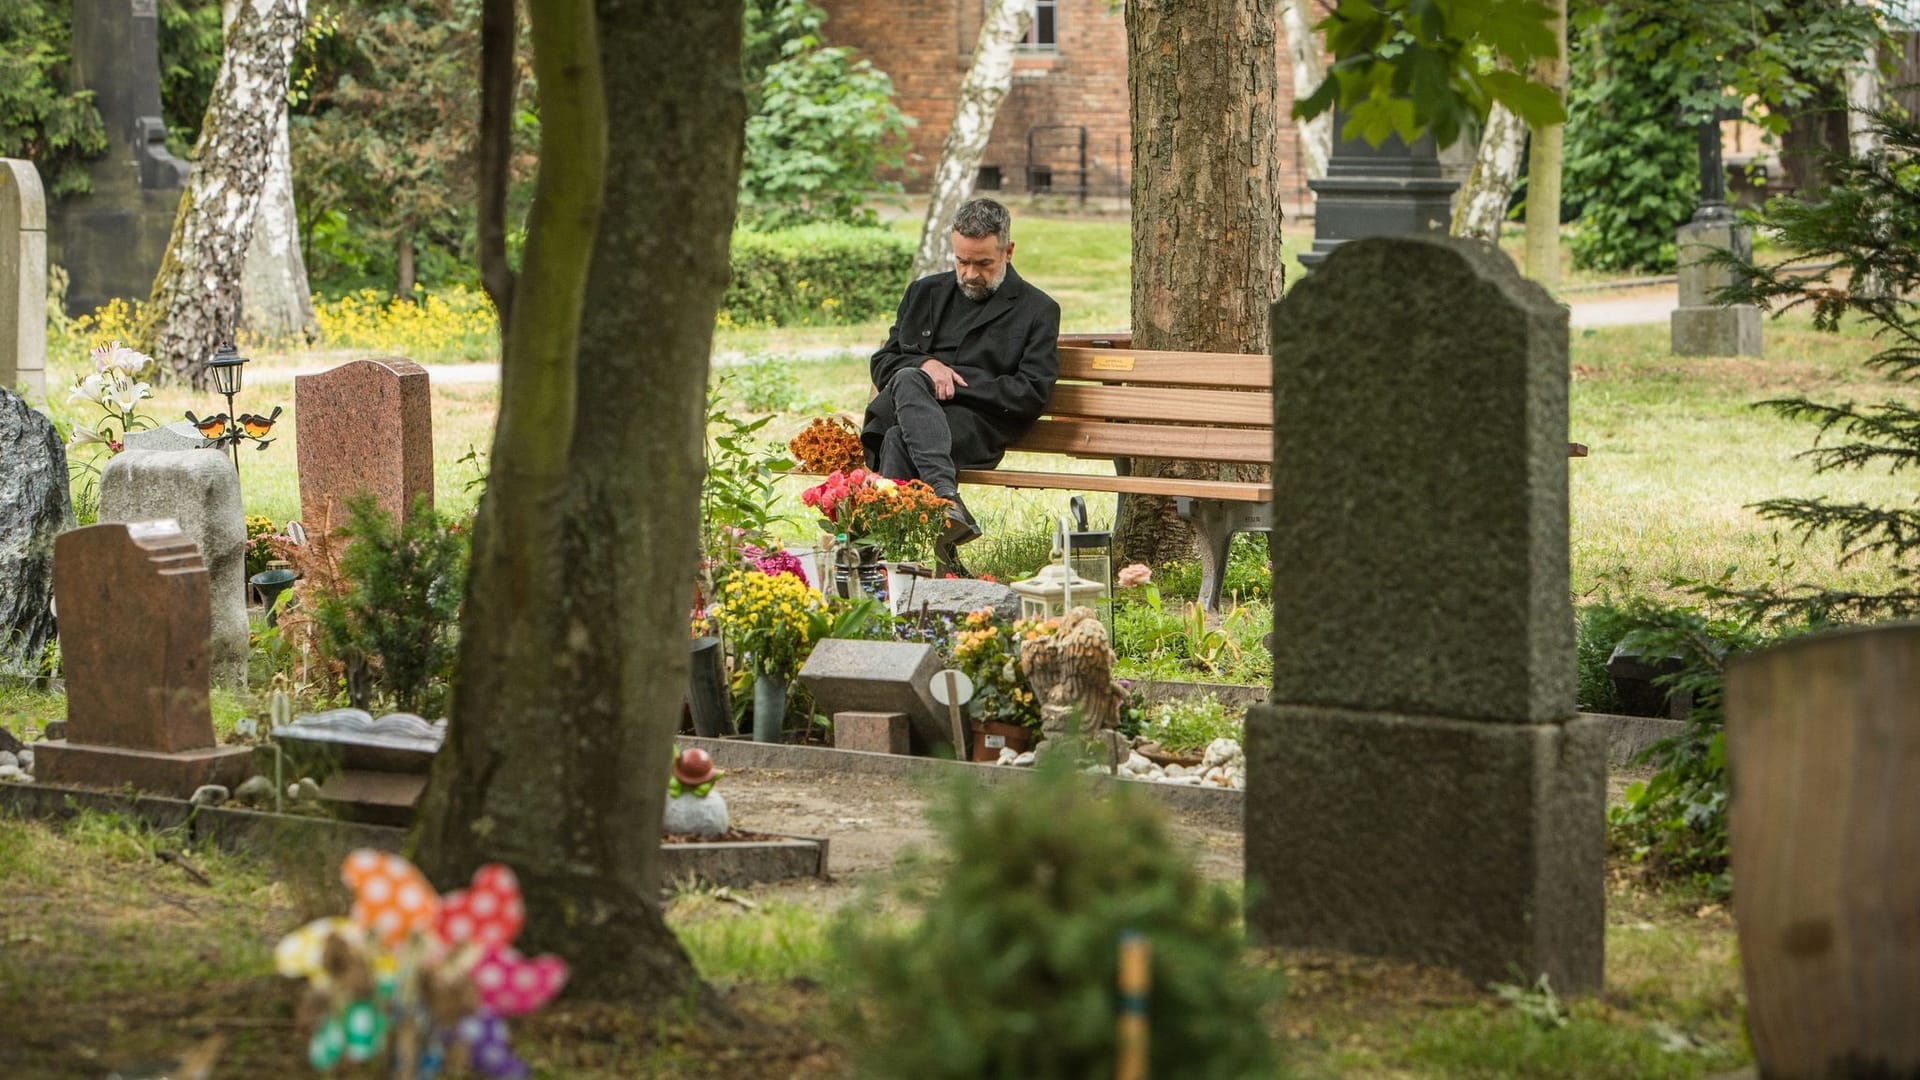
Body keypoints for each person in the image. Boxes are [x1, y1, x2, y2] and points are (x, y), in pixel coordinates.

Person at [862, 197, 1061, 572]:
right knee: (907, 382)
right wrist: (927, 365)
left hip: (978, 425)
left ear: (1008, 251)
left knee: (898, 427)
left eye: (983, 263)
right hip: (912, 417)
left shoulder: (1037, 309)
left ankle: (883, 561)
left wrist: (954, 383)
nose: (970, 273)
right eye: (961, 261)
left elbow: (1032, 393)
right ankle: (945, 515)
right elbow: (883, 362)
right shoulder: (924, 293)